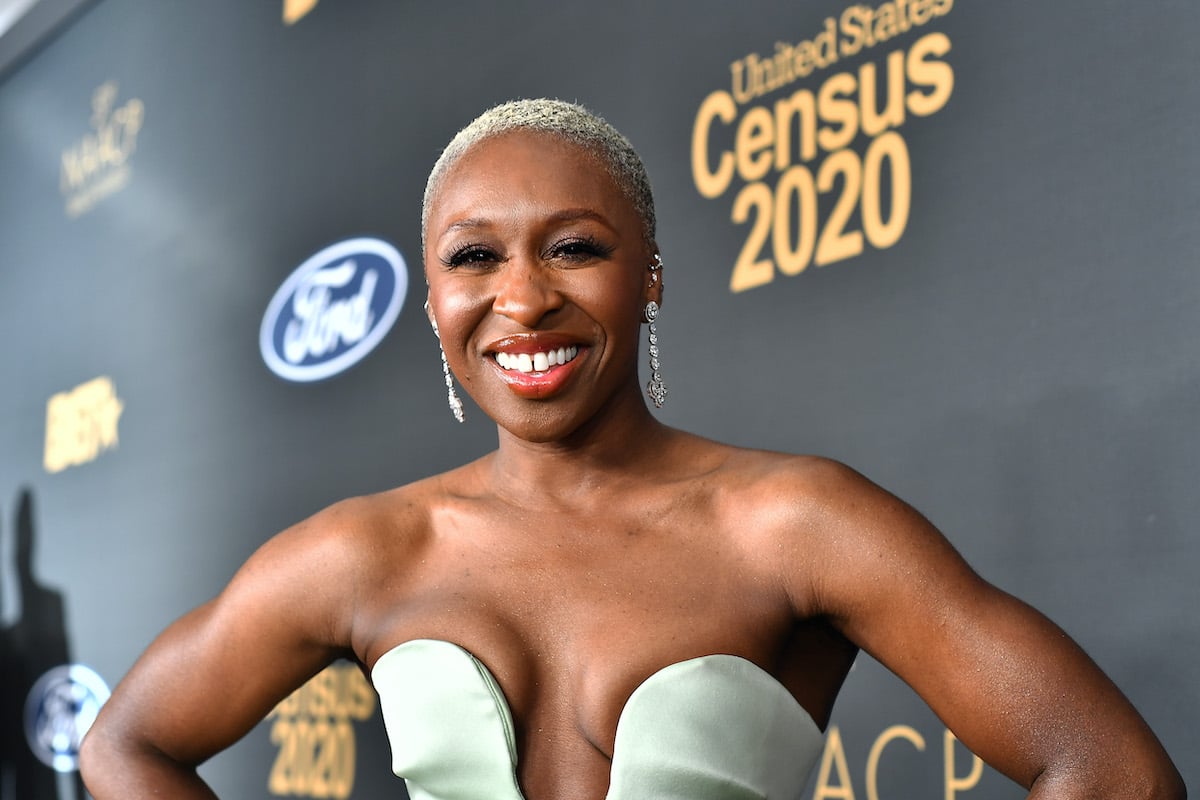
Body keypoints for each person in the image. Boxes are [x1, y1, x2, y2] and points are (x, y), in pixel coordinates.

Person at [79, 99, 1185, 800]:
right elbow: (124, 743)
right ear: (432, 303)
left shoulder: (791, 521)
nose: (522, 296)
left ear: (649, 274)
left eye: (575, 246)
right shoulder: (368, 550)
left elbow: (1112, 769)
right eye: (475, 258)